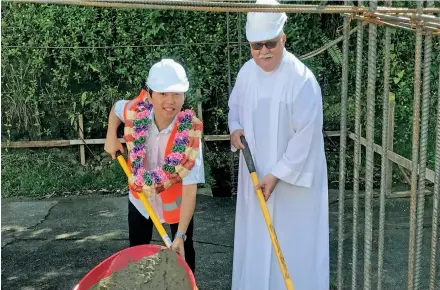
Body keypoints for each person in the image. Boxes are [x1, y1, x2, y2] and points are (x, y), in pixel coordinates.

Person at [227, 0, 330, 289]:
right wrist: (235, 129)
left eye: (270, 44)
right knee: (256, 240)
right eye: (256, 45)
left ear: (283, 38)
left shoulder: (302, 80)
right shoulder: (247, 73)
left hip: (291, 185)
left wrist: (277, 174)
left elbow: (306, 135)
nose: (264, 52)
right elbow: (234, 108)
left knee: (293, 245)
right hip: (256, 175)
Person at [104, 59, 205, 274]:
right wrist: (110, 136)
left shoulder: (191, 135)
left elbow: (190, 191)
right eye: (163, 94)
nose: (170, 101)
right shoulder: (135, 112)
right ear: (150, 95)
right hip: (140, 199)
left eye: (177, 94)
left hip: (176, 204)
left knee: (183, 253)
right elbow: (116, 109)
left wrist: (180, 236)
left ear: (184, 96)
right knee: (138, 254)